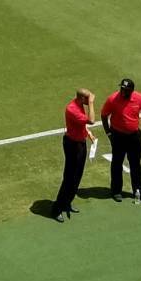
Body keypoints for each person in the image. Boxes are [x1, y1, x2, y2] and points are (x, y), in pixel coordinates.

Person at [101, 76, 141, 203]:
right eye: (121, 88)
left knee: (135, 164)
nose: (122, 91)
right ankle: (116, 191)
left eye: (125, 89)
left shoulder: (139, 98)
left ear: (131, 90)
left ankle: (139, 190)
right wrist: (108, 133)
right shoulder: (113, 99)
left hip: (134, 137)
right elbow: (104, 115)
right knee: (117, 163)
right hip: (117, 136)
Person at [52, 89, 93, 220]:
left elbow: (81, 123)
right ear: (82, 98)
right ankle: (57, 209)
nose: (89, 101)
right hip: (72, 145)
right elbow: (91, 120)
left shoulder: (80, 105)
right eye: (88, 99)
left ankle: (67, 202)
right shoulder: (72, 109)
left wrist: (87, 132)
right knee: (69, 177)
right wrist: (91, 104)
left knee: (77, 176)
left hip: (80, 143)